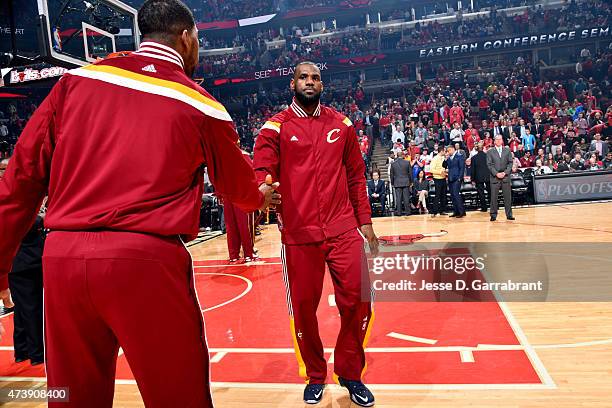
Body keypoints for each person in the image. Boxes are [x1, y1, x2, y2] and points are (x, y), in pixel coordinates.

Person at [0, 1, 280, 407]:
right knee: (177, 395)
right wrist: (261, 196)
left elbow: (21, 177)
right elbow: (237, 188)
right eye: (198, 40)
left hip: (62, 259)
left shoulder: (75, 82)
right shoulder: (201, 103)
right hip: (144, 261)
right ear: (186, 38)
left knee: (72, 398)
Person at [253, 61, 378, 407]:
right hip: (298, 233)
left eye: (315, 78)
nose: (310, 82)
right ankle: (315, 374)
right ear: (292, 83)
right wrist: (261, 188)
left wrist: (364, 220)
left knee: (360, 299)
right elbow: (262, 169)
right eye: (303, 77)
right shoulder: (274, 128)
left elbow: (356, 175)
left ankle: (351, 372)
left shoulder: (342, 124)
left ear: (322, 85)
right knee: (304, 310)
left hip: (342, 228)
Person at [486, 135, 515, 221]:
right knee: (494, 197)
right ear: (494, 141)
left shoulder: (507, 150)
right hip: (495, 177)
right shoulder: (490, 151)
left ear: (502, 140)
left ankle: (509, 214)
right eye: (497, 139)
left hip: (505, 177)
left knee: (507, 197)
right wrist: (496, 173)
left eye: (500, 139)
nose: (498, 141)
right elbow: (489, 164)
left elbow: (510, 163)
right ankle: (493, 215)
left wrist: (505, 172)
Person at [390, 150, 413, 216]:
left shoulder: (393, 164)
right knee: (406, 198)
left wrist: (392, 183)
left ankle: (399, 212)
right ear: (403, 155)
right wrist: (411, 182)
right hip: (406, 182)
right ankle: (407, 212)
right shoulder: (407, 162)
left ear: (397, 156)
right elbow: (410, 173)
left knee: (398, 198)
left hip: (397, 182)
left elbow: (392, 175)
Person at [446, 145, 466, 218]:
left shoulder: (459, 156)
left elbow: (462, 168)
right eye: (447, 151)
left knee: (456, 194)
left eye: (449, 150)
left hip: (457, 179)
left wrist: (460, 178)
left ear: (453, 149)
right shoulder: (449, 158)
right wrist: (446, 159)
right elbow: (444, 165)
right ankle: (456, 211)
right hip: (450, 178)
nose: (448, 152)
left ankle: (461, 212)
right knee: (452, 195)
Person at [471, 144, 490, 212]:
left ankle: (484, 208)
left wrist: (472, 179)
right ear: (483, 148)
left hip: (478, 177)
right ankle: (494, 207)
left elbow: (472, 170)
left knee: (481, 193)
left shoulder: (474, 158)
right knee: (490, 192)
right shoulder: (487, 156)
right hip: (488, 176)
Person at [429, 146, 448, 217]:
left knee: (443, 195)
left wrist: (445, 171)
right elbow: (431, 169)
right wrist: (440, 172)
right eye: (444, 151)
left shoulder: (443, 158)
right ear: (441, 151)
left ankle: (442, 210)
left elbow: (444, 167)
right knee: (438, 195)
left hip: (443, 178)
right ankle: (434, 211)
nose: (445, 152)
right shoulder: (435, 159)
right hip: (437, 178)